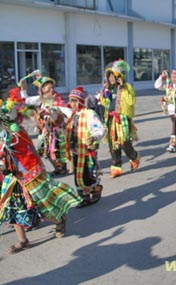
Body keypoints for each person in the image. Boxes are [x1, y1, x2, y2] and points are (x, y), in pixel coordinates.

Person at [0, 89, 82, 254]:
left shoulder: (15, 133)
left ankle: (59, 219)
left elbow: (24, 154)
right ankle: (23, 240)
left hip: (29, 174)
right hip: (12, 176)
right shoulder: (6, 133)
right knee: (13, 206)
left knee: (39, 206)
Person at [19, 74, 71, 176]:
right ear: (42, 91)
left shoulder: (58, 101)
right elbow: (26, 101)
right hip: (47, 131)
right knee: (45, 151)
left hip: (58, 132)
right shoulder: (41, 99)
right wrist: (23, 89)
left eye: (52, 88)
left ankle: (62, 168)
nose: (52, 91)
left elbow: (69, 113)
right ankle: (58, 168)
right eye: (48, 89)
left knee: (57, 150)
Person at [65, 87, 105, 208]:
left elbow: (100, 129)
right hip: (76, 150)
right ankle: (84, 197)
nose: (72, 103)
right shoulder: (72, 115)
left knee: (87, 176)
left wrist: (93, 137)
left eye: (75, 100)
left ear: (81, 101)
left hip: (87, 151)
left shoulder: (89, 114)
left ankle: (96, 189)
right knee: (78, 176)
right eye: (71, 100)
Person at [100, 60, 140, 178]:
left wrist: (123, 88)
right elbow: (105, 103)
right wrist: (103, 95)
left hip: (122, 118)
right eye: (109, 76)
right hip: (111, 118)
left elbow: (131, 101)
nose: (111, 78)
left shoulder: (127, 87)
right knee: (112, 144)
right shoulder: (109, 89)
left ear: (119, 76)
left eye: (113, 76)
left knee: (124, 143)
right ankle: (116, 167)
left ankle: (134, 157)